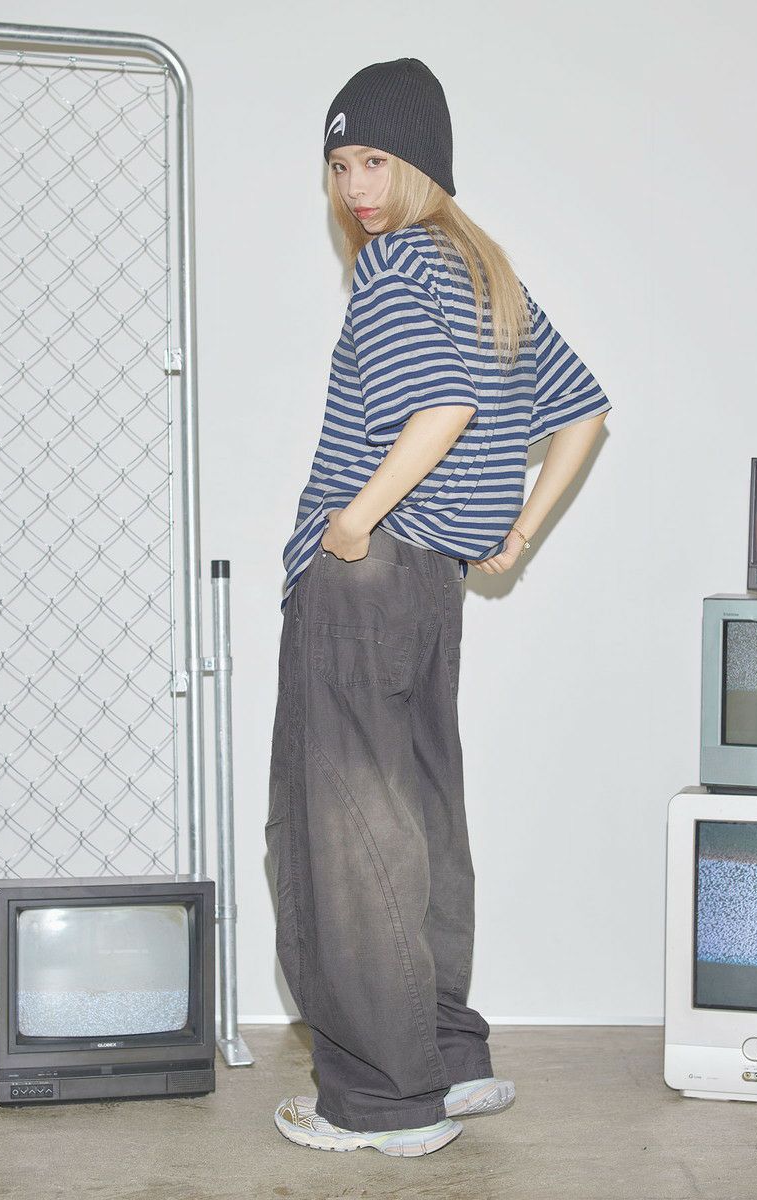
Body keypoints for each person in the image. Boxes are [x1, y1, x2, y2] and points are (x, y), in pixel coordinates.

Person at [267, 57, 612, 1157]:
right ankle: (448, 1062)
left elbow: (444, 406)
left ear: (421, 162)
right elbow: (584, 414)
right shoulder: (484, 272)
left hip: (368, 578)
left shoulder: (393, 265)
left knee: (340, 833)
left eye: (374, 159)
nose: (354, 188)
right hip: (432, 585)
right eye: (338, 165)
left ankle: (380, 1102)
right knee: (420, 819)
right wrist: (516, 533)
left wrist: (351, 523)